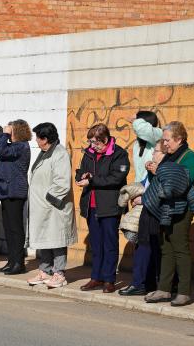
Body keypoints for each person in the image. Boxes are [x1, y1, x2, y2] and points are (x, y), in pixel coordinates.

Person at [144, 121, 194, 306]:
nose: (165, 143)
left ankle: (184, 291)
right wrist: (153, 171)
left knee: (180, 248)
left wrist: (159, 170)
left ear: (179, 139)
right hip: (165, 208)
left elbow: (183, 182)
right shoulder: (169, 156)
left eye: (167, 140)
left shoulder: (189, 157)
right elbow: (160, 183)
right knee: (166, 248)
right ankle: (164, 289)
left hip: (181, 208)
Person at [76, 123, 130, 293]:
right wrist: (82, 176)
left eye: (96, 143)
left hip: (109, 205)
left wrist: (92, 180)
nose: (92, 146)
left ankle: (109, 279)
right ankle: (96, 277)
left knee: (110, 243)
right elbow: (81, 171)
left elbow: (116, 178)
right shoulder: (89, 153)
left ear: (105, 139)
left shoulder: (119, 154)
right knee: (96, 244)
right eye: (91, 142)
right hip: (91, 205)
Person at [26, 122, 78, 288]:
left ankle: (59, 274)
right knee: (45, 241)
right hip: (43, 208)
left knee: (57, 241)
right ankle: (45, 271)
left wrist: (48, 200)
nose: (35, 140)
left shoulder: (60, 154)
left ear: (45, 139)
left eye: (37, 137)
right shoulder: (45, 152)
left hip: (54, 208)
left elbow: (62, 183)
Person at [118, 144, 165, 296]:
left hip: (156, 213)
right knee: (143, 248)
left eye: (156, 152)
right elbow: (146, 184)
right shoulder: (154, 169)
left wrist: (143, 199)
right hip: (147, 213)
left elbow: (162, 190)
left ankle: (141, 284)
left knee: (148, 249)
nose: (153, 155)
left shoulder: (166, 169)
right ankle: (143, 283)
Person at [0, 120, 31, 275]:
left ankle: (19, 263)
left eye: (11, 130)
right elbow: (1, 149)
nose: (8, 133)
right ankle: (12, 260)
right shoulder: (12, 147)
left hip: (15, 191)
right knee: (8, 228)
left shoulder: (21, 146)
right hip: (6, 191)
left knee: (15, 229)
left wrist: (5, 134)